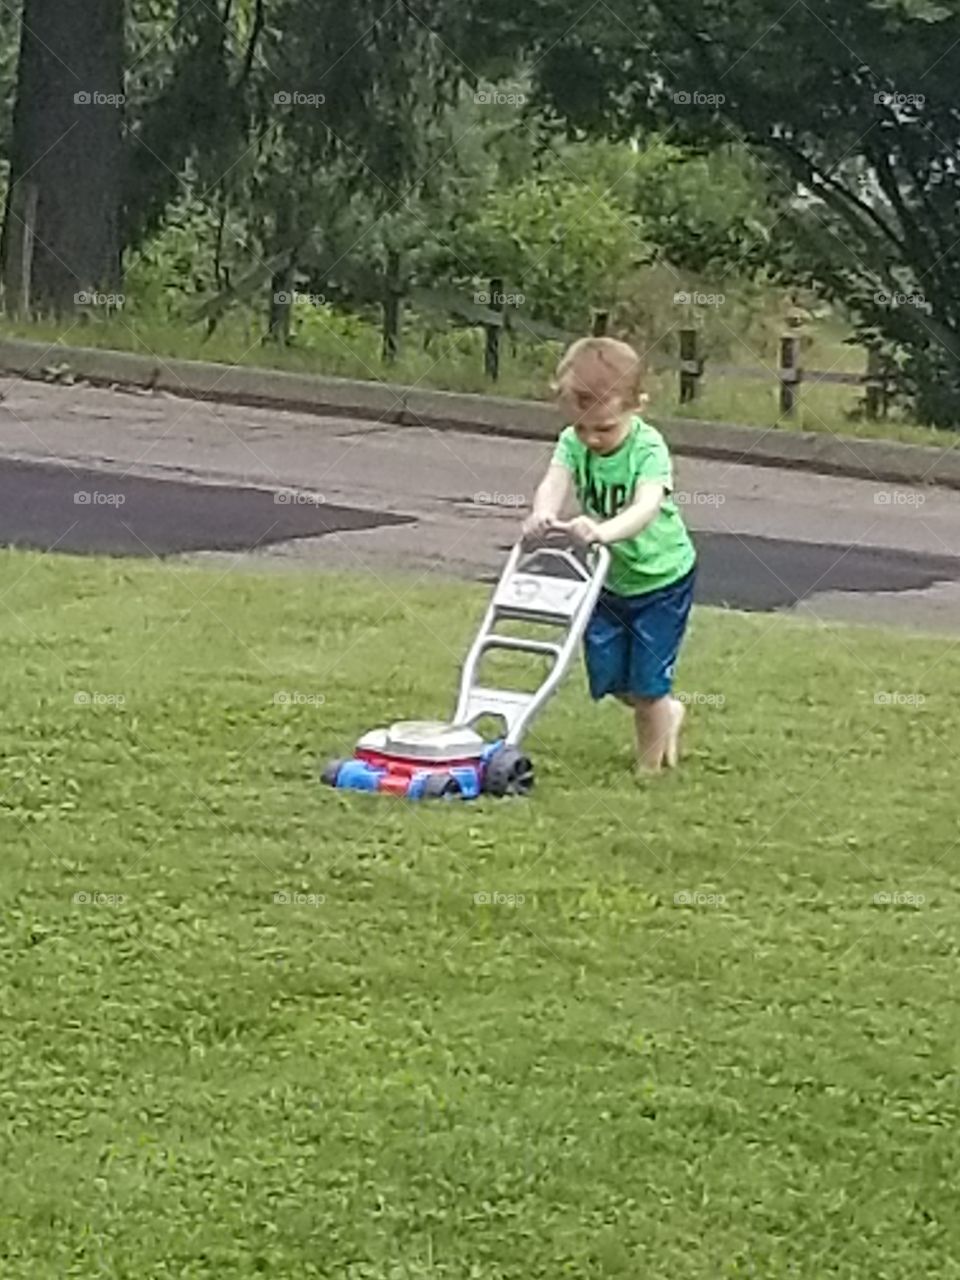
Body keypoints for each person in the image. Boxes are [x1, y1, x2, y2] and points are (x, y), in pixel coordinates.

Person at [523, 336, 697, 773]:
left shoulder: (648, 449)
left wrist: (602, 531)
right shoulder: (572, 441)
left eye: (604, 429)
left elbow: (645, 507)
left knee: (648, 684)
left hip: (661, 579)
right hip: (607, 580)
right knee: (611, 678)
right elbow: (555, 480)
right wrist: (543, 513)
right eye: (582, 427)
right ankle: (667, 712)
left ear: (636, 405)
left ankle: (649, 768)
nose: (592, 439)